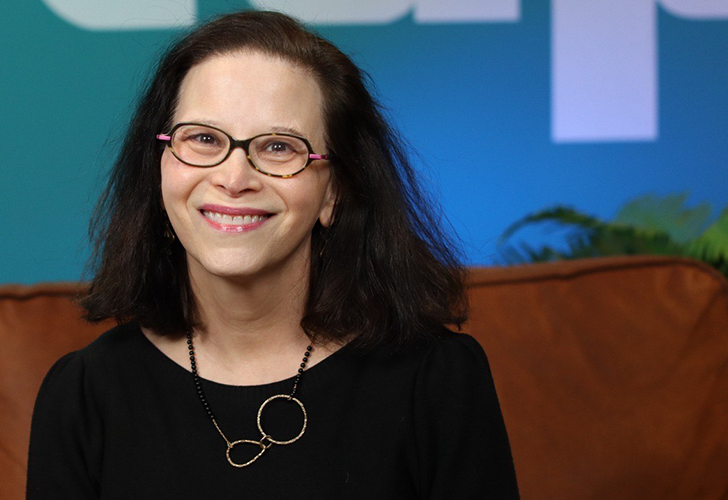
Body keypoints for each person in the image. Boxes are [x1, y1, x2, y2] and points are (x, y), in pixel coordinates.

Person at [27, 10, 519, 499]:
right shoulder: (83, 394)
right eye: (202, 139)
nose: (234, 178)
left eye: (280, 147)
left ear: (334, 192)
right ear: (161, 169)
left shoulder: (438, 380)